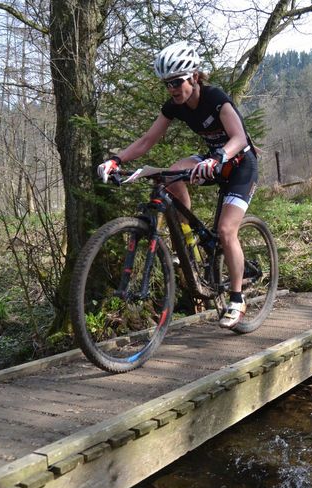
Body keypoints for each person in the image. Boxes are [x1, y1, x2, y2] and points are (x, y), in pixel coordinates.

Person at [96, 41, 258, 329]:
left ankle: (236, 298)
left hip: (240, 164)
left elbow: (240, 138)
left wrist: (218, 157)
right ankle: (189, 234)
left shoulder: (215, 98)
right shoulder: (175, 106)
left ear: (194, 76)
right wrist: (116, 160)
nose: (171, 89)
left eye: (176, 82)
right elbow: (147, 141)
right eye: (166, 84)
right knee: (171, 174)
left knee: (225, 229)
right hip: (214, 162)